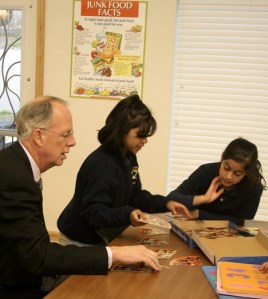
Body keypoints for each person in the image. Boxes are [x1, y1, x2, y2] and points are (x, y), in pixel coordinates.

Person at [0, 96, 161, 299]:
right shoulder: (14, 177)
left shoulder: (16, 164)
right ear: (39, 136)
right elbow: (37, 255)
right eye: (66, 134)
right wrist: (116, 254)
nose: (73, 142)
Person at [57, 94, 191, 246]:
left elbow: (135, 195)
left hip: (101, 236)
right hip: (80, 240)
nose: (145, 141)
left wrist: (165, 204)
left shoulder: (129, 156)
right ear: (122, 130)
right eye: (140, 135)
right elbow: (93, 213)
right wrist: (127, 214)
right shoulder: (102, 165)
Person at [167, 137, 266, 224]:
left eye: (238, 173)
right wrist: (203, 198)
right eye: (226, 168)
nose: (229, 176)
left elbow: (242, 220)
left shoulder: (253, 187)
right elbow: (172, 198)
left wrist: (198, 214)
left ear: (247, 173)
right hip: (192, 231)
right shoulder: (205, 172)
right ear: (222, 158)